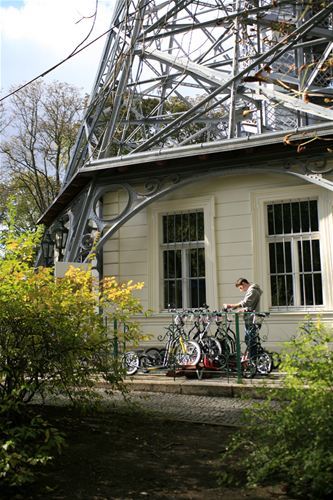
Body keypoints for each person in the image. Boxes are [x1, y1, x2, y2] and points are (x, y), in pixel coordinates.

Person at [223, 278, 263, 358]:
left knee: (250, 341)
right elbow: (250, 306)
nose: (241, 290)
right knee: (250, 340)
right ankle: (252, 359)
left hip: (252, 320)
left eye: (241, 288)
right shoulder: (253, 291)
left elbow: (245, 303)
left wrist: (230, 306)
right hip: (251, 318)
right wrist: (241, 310)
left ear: (244, 283)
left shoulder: (252, 291)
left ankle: (254, 360)